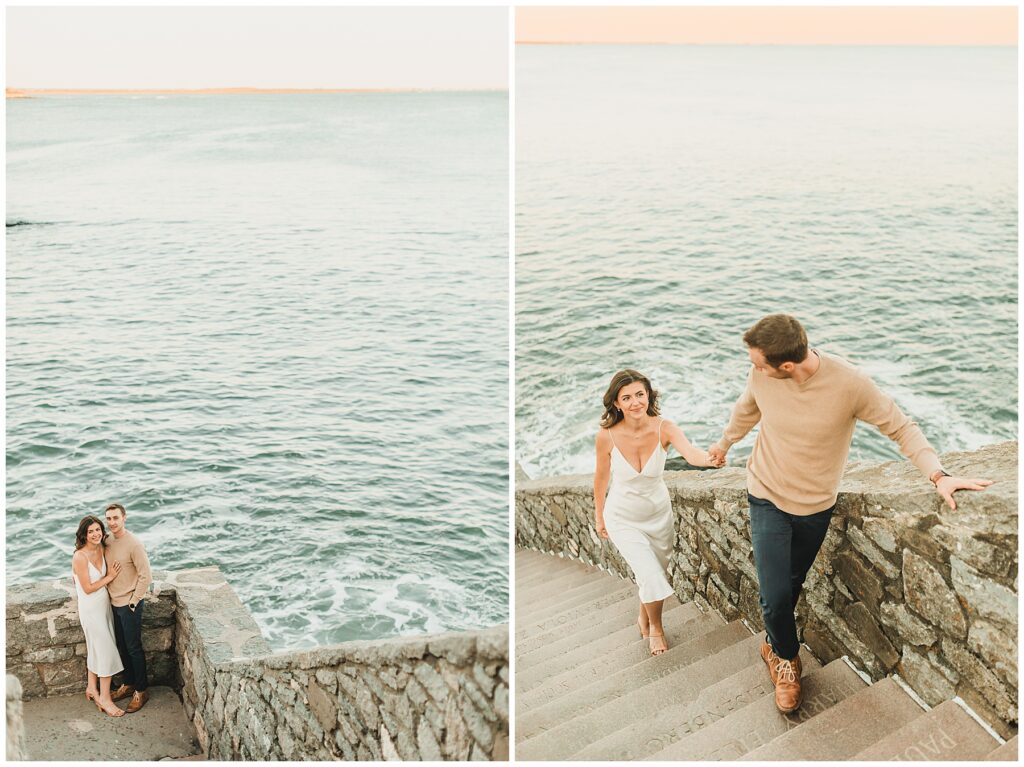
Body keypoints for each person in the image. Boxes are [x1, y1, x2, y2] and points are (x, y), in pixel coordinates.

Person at [708, 314, 992, 714]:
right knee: (773, 597)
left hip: (814, 507)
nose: (753, 369)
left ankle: (773, 644)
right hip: (766, 495)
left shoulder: (850, 384)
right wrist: (724, 444)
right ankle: (787, 660)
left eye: (759, 363)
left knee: (790, 587)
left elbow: (901, 428)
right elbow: (746, 410)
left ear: (786, 366)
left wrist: (938, 474)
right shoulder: (762, 378)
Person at [594, 369, 721, 656]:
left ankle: (643, 615)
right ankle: (656, 628)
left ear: (649, 396)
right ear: (616, 403)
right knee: (650, 575)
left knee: (653, 572)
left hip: (658, 517)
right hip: (622, 518)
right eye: (626, 397)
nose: (635, 402)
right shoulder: (606, 437)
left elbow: (692, 455)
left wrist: (711, 460)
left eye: (640, 394)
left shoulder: (665, 428)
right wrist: (599, 515)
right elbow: (600, 478)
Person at [71, 515, 124, 717]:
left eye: (98, 530)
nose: (95, 534)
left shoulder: (102, 548)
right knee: (105, 649)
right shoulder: (79, 556)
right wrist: (110, 577)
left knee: (96, 647)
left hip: (104, 605)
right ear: (84, 534)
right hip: (90, 608)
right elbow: (87, 587)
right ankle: (105, 698)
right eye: (90, 531)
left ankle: (92, 688)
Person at [104, 503, 153, 713]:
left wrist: (133, 601)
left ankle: (141, 690)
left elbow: (146, 576)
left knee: (133, 648)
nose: (112, 522)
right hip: (114, 603)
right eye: (109, 519)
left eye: (116, 518)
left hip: (130, 604)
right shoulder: (106, 540)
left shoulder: (134, 544)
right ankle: (129, 683)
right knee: (122, 647)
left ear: (124, 518)